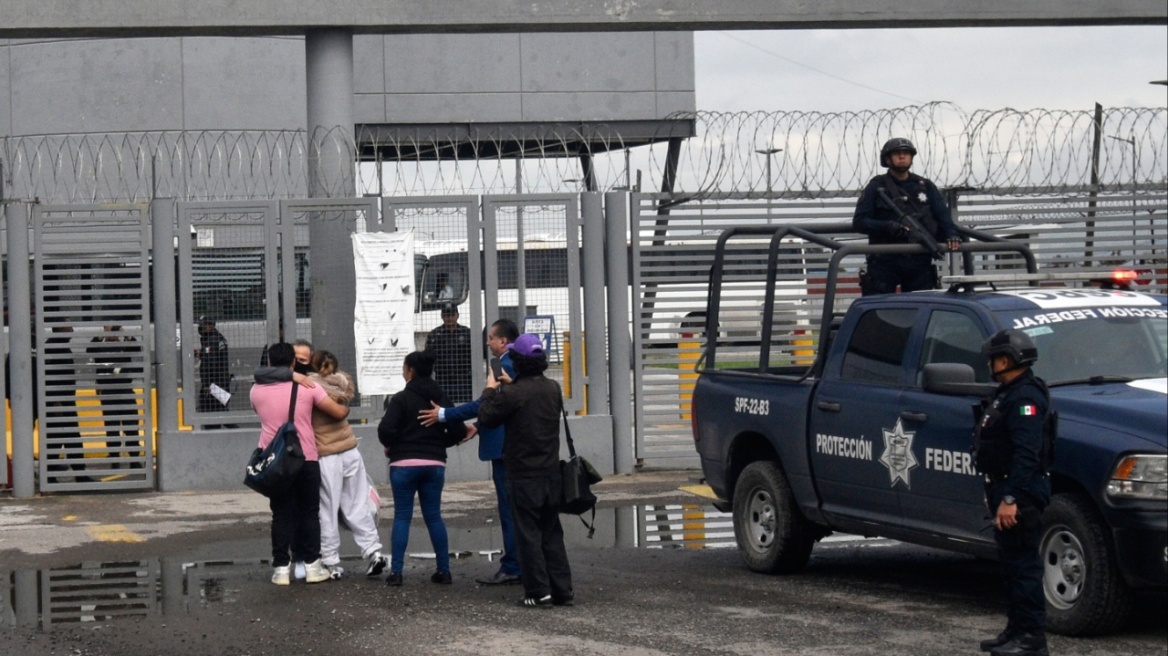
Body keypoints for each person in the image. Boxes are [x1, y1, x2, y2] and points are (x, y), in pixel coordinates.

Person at [419, 318, 522, 586]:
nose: (487, 342)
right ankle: (521, 562)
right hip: (514, 447)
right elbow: (501, 407)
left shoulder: (506, 365)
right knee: (517, 508)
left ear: (503, 341)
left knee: (510, 509)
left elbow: (486, 403)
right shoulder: (516, 364)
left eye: (490, 338)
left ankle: (514, 565)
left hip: (505, 449)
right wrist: (478, 426)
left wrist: (443, 414)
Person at [478, 333, 573, 608]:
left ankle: (538, 592)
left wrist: (489, 388)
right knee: (551, 532)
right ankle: (562, 591)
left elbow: (486, 416)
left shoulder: (513, 393)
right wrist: (511, 386)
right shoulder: (552, 388)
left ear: (516, 361)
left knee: (528, 535)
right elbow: (529, 401)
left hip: (523, 475)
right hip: (551, 473)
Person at [975, 329, 1053, 656]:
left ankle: (1032, 637)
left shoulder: (1025, 398)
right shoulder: (1007, 394)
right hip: (1003, 487)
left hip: (1019, 492)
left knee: (1023, 568)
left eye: (994, 358)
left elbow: (1027, 453)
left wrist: (1011, 499)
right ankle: (1016, 630)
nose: (991, 365)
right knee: (1010, 566)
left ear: (1006, 359)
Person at [249, 342, 350, 586]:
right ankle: (313, 566)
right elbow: (337, 412)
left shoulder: (256, 391)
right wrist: (344, 405)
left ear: (270, 363)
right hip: (306, 458)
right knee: (309, 513)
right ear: (293, 363)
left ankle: (281, 568)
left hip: (275, 462)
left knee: (281, 515)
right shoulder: (308, 387)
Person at [377, 350, 468, 587]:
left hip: (403, 465)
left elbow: (385, 431)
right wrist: (438, 444)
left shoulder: (400, 399)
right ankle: (444, 571)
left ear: (410, 371)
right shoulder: (441, 398)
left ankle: (396, 573)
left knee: (402, 517)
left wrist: (394, 446)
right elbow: (459, 431)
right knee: (434, 516)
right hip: (434, 464)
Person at [308, 349, 389, 579]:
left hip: (327, 455)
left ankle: (331, 562)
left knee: (328, 510)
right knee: (357, 505)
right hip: (351, 451)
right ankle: (373, 552)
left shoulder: (312, 387)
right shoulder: (342, 384)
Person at [852, 137, 961, 295]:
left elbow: (943, 217)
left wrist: (952, 235)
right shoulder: (877, 186)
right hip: (885, 261)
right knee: (879, 312)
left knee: (919, 311)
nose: (902, 156)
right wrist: (888, 227)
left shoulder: (925, 186)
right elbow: (860, 222)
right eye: (897, 153)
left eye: (906, 153)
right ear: (888, 159)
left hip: (918, 260)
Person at [87, 325, 142, 467]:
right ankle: (114, 457)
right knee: (112, 427)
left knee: (131, 426)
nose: (113, 334)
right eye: (111, 331)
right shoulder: (100, 348)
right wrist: (103, 333)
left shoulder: (124, 346)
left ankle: (134, 458)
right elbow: (90, 350)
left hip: (125, 390)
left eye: (115, 332)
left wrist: (126, 333)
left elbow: (136, 348)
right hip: (108, 391)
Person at [44, 325, 91, 483]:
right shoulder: (53, 348)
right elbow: (50, 377)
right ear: (59, 329)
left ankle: (77, 473)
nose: (71, 330)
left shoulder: (61, 347)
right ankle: (52, 476)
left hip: (65, 402)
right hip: (59, 404)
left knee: (69, 439)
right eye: (68, 327)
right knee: (58, 439)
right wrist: (56, 402)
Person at [424, 304, 473, 403]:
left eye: (452, 315)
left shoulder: (467, 333)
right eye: (447, 315)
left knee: (463, 407)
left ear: (457, 316)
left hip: (463, 380)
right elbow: (428, 358)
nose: (449, 318)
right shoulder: (434, 335)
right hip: (442, 380)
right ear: (442, 316)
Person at [196, 316, 232, 415]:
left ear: (210, 326)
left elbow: (210, 364)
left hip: (214, 386)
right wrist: (202, 353)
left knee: (212, 416)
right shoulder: (218, 338)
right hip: (221, 383)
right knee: (221, 414)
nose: (200, 328)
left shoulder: (211, 340)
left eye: (203, 325)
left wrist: (207, 385)